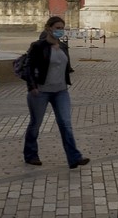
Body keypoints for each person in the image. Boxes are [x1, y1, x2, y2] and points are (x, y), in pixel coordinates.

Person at [22, 18, 90, 168]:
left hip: (61, 91)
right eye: (57, 27)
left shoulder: (64, 47)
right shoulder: (38, 46)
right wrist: (32, 86)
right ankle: (30, 154)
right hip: (40, 92)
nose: (60, 30)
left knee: (66, 124)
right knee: (35, 124)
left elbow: (66, 67)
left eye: (62, 28)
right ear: (48, 28)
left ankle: (74, 158)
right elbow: (28, 67)